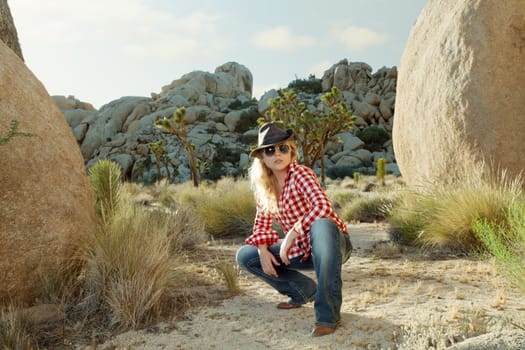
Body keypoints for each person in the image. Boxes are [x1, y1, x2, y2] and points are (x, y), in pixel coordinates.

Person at [236, 121, 353, 337]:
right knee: (246, 255)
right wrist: (262, 250)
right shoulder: (265, 188)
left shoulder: (301, 174)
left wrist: (293, 232)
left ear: (292, 152)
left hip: (332, 244)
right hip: (302, 250)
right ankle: (302, 292)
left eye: (283, 148)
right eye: (270, 150)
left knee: (322, 224)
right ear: (263, 157)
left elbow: (323, 207)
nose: (277, 154)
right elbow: (260, 226)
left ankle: (327, 316)